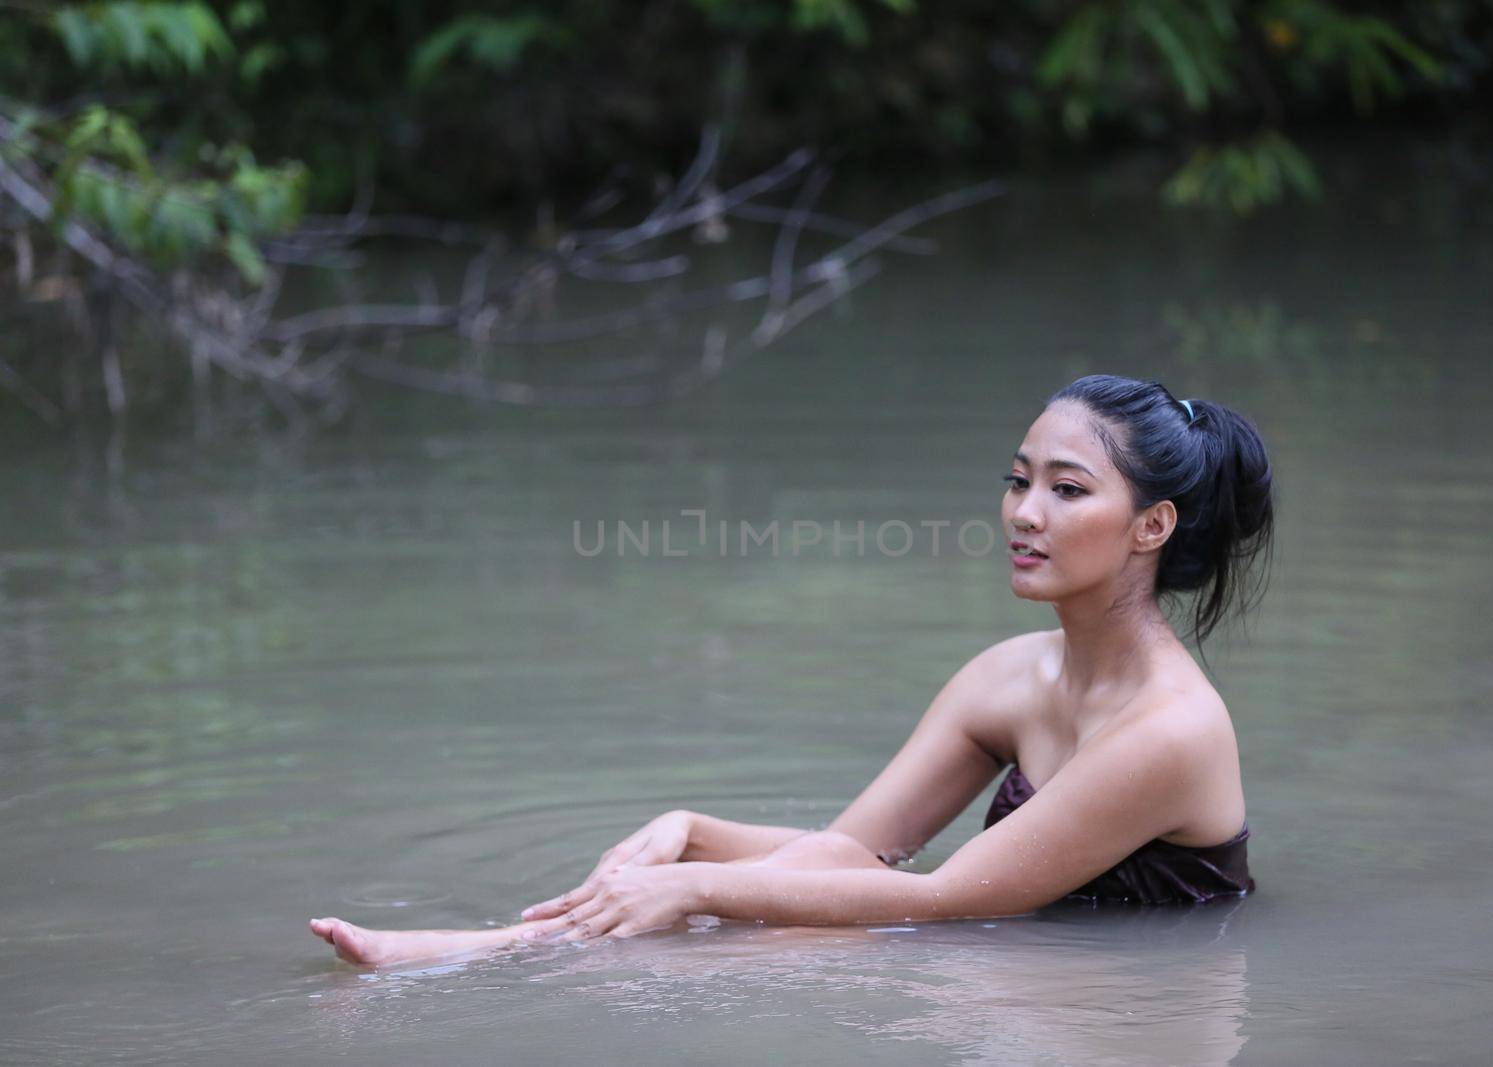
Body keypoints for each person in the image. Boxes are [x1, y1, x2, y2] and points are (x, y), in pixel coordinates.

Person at [310, 374, 1276, 966]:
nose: (1024, 513)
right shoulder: (1008, 677)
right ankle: (497, 954)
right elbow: (855, 850)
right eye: (1018, 480)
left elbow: (945, 900)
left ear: (1153, 525)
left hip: (1109, 1015)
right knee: (812, 889)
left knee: (795, 925)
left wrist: (698, 891)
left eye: (1067, 490)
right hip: (1008, 953)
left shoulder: (1171, 728)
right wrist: (692, 834)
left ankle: (488, 958)